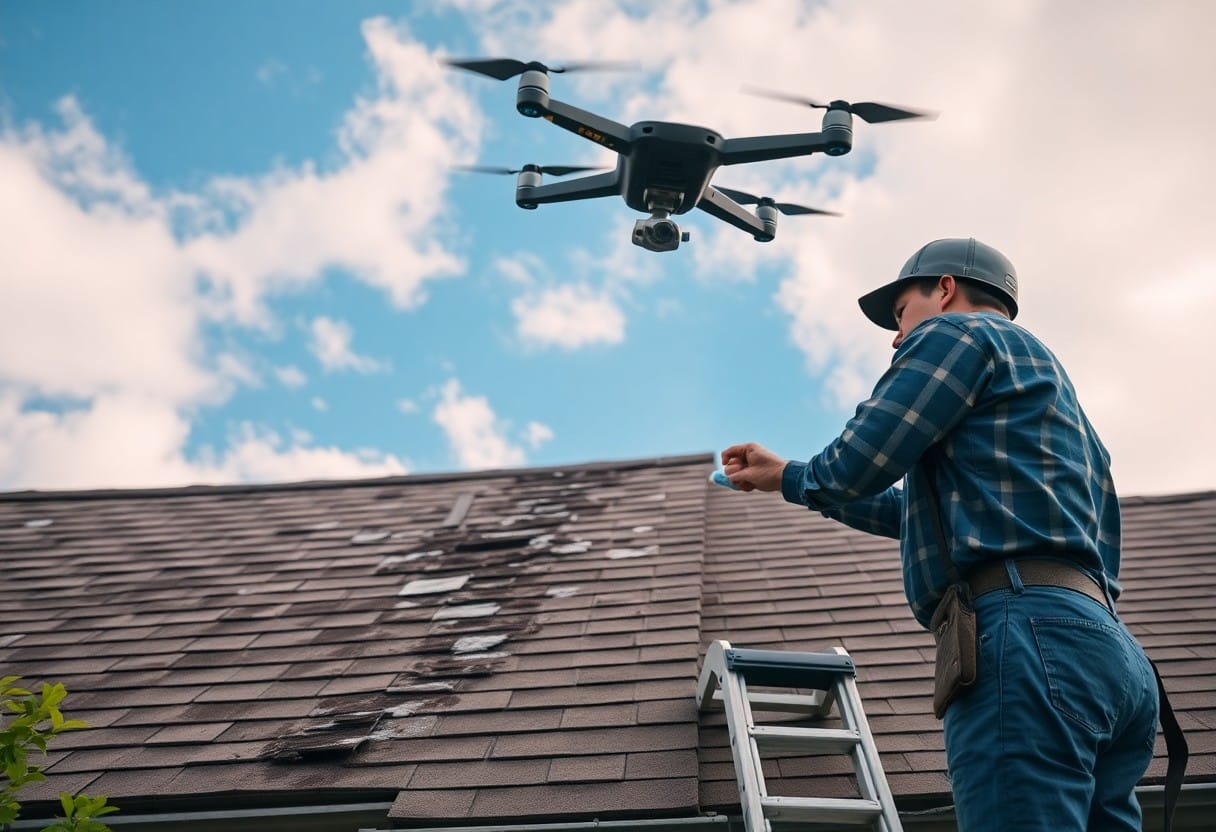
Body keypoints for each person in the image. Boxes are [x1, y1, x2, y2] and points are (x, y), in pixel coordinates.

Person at [721, 238, 1159, 831]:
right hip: (1112, 656)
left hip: (1025, 636)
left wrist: (810, 477)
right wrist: (785, 477)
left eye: (901, 314)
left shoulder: (957, 334)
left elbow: (856, 464)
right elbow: (918, 511)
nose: (897, 337)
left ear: (946, 289)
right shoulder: (1057, 399)